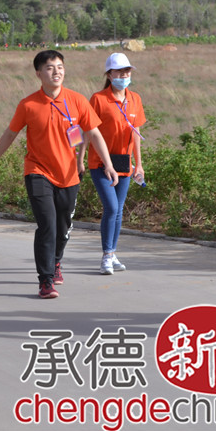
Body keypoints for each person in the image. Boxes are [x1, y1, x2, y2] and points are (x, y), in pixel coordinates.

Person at [0, 50, 118, 300]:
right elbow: (9, 135)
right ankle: (45, 281)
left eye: (59, 67)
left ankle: (56, 261)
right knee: (47, 224)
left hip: (68, 175)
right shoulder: (28, 104)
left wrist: (107, 164)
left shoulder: (77, 101)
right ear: (38, 73)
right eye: (49, 67)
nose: (56, 71)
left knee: (63, 225)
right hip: (37, 171)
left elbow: (94, 134)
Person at [85, 53, 146, 275]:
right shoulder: (98, 99)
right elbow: (88, 131)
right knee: (111, 207)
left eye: (127, 71)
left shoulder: (135, 99)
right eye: (119, 72)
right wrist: (79, 158)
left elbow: (136, 133)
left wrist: (139, 165)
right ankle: (106, 256)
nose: (124, 76)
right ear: (109, 75)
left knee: (119, 210)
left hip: (124, 162)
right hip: (100, 162)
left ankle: (112, 252)